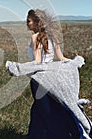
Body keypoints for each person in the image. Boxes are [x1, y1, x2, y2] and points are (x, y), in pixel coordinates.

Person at [23, 9, 80, 138]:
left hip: (40, 80)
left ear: (37, 23)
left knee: (46, 113)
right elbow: (61, 58)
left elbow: (38, 62)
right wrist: (75, 62)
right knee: (40, 110)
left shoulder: (35, 37)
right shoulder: (52, 37)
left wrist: (20, 69)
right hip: (54, 78)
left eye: (29, 21)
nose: (27, 23)